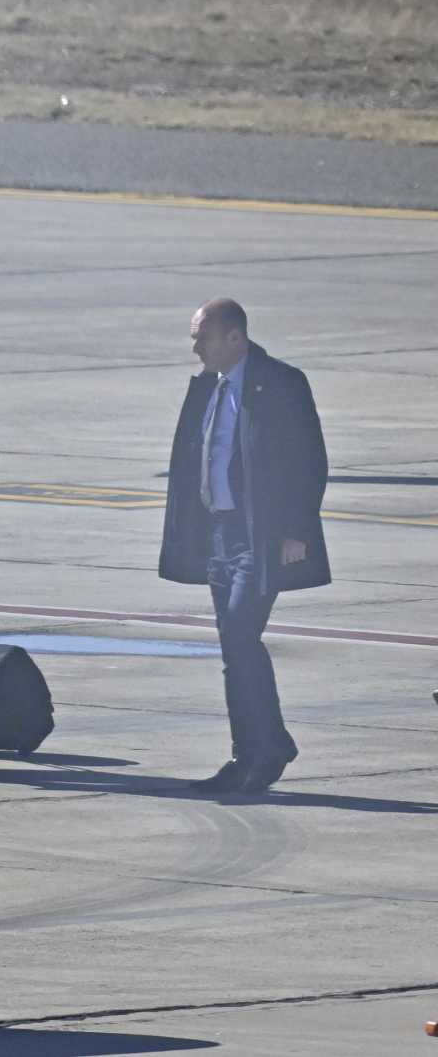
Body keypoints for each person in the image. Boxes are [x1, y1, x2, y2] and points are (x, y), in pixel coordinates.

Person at [160, 298, 328, 793]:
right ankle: (250, 752)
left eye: (202, 338)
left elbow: (309, 459)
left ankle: (268, 748)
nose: (195, 348)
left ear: (236, 338)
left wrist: (296, 530)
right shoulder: (209, 387)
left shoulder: (281, 383)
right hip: (219, 535)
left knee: (239, 634)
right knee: (235, 649)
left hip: (262, 536)